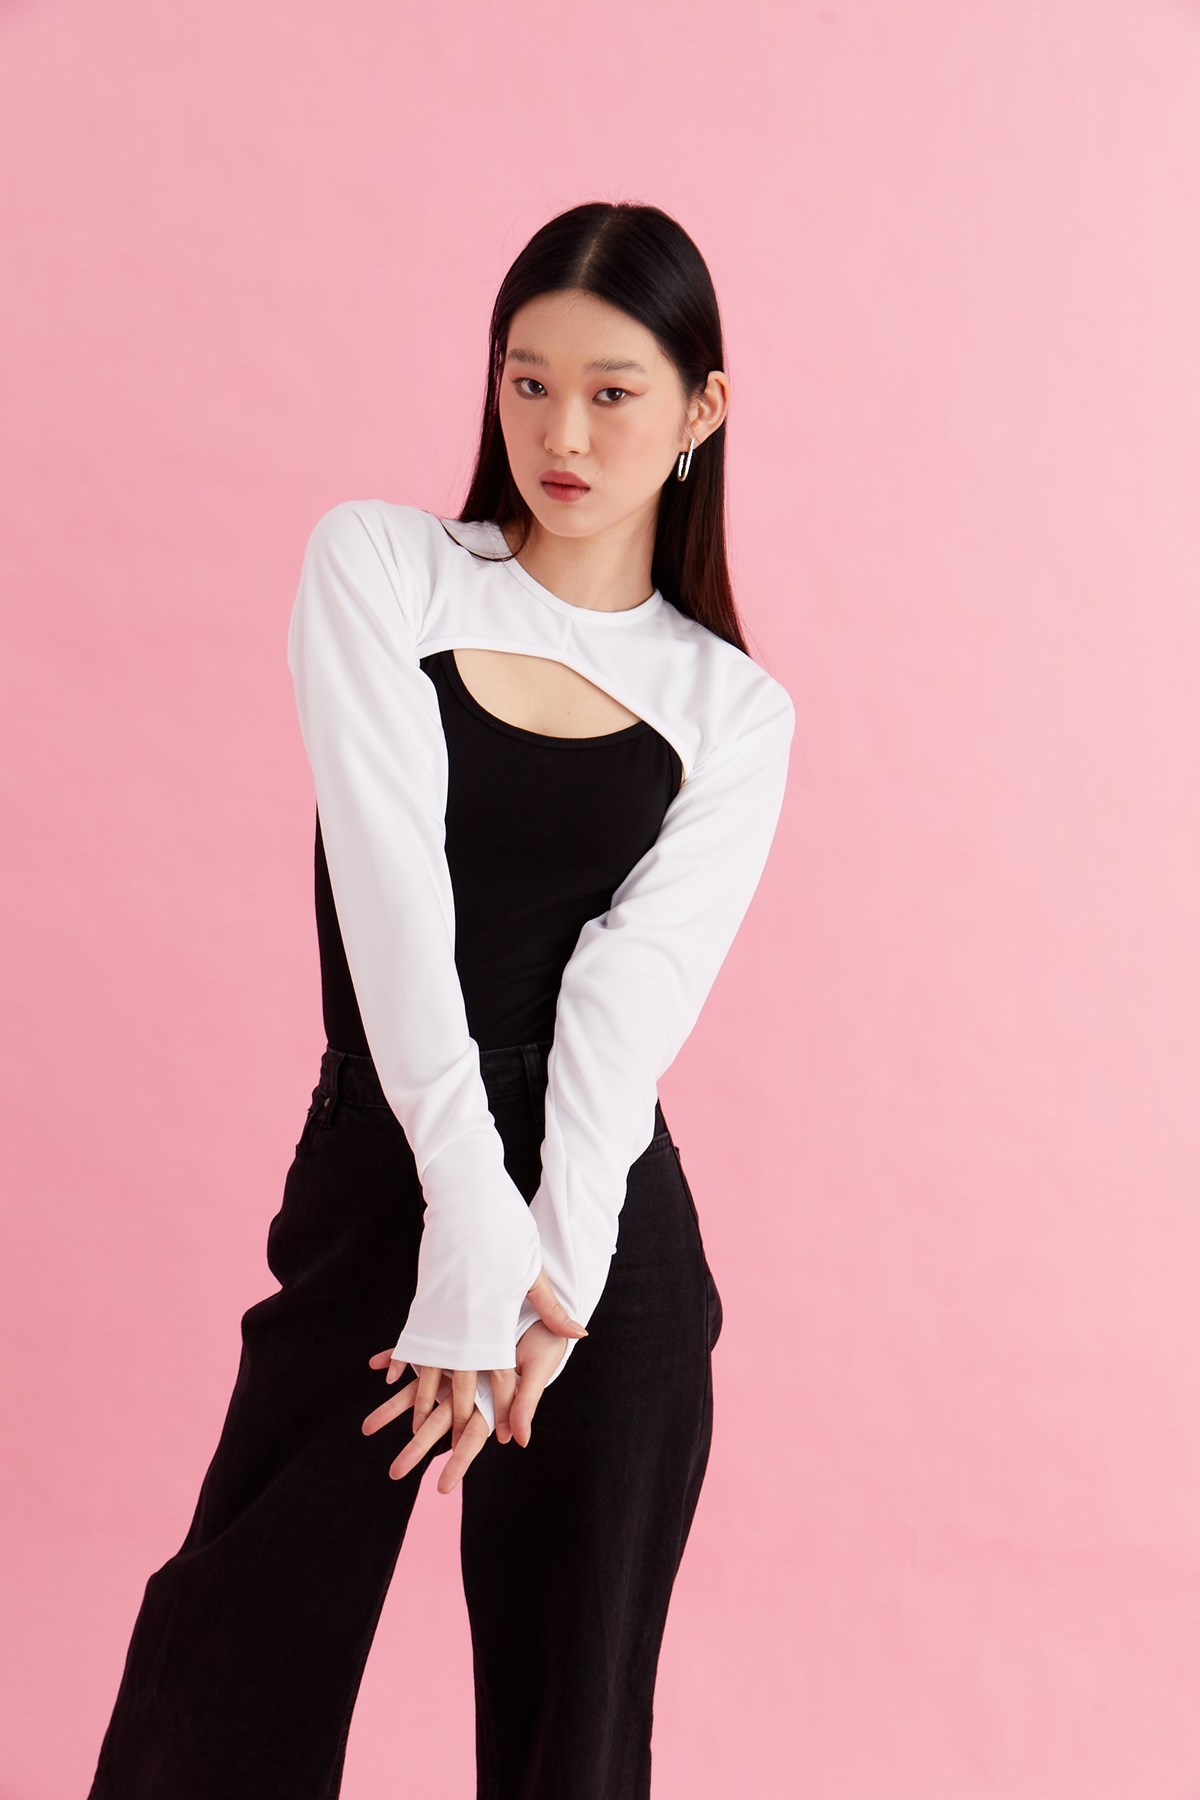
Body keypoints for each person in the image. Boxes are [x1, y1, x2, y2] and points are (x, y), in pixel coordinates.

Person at [86, 199, 796, 1800]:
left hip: (598, 1231)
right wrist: (464, 1225)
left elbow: (623, 1007)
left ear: (702, 409)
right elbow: (393, 908)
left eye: (613, 391)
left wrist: (552, 1280)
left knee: (575, 1733)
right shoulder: (387, 566)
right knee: (234, 1673)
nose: (562, 432)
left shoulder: (733, 708)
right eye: (527, 381)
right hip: (391, 1177)